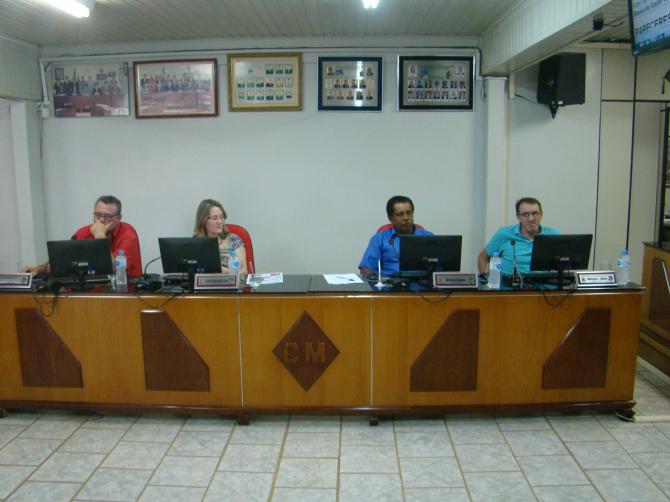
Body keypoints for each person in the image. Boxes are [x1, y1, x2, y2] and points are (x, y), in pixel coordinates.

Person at [24, 195, 142, 277]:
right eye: (98, 215)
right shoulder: (83, 232)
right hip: (88, 292)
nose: (101, 220)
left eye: (107, 216)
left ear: (119, 218)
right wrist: (39, 269)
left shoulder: (128, 235)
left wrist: (100, 235)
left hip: (123, 293)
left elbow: (114, 268)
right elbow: (63, 262)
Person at [477, 197, 559, 275]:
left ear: (541, 215)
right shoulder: (504, 234)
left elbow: (563, 263)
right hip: (512, 284)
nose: (531, 219)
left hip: (545, 284)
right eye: (525, 214)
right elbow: (482, 258)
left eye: (535, 213)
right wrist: (486, 281)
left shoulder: (553, 234)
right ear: (518, 217)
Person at [359, 195, 433, 276]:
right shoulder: (379, 239)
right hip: (390, 282)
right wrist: (377, 279)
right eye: (400, 214)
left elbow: (440, 267)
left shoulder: (428, 237)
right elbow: (365, 269)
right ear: (390, 218)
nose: (406, 218)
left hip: (422, 282)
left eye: (409, 213)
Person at [193, 199, 248, 275]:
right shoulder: (196, 243)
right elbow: (194, 272)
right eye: (214, 218)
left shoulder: (234, 240)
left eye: (222, 217)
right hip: (205, 282)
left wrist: (216, 269)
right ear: (203, 220)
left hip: (231, 282)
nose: (219, 222)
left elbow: (244, 272)